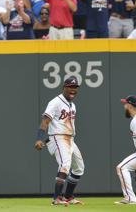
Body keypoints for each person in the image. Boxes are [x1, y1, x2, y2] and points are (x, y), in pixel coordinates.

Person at [35, 77, 84, 206]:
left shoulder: (73, 105)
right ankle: (56, 198)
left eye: (75, 87)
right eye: (70, 87)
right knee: (65, 164)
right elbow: (46, 121)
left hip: (70, 139)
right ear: (64, 87)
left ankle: (68, 196)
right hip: (59, 138)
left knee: (79, 168)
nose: (73, 89)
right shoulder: (55, 102)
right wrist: (39, 138)